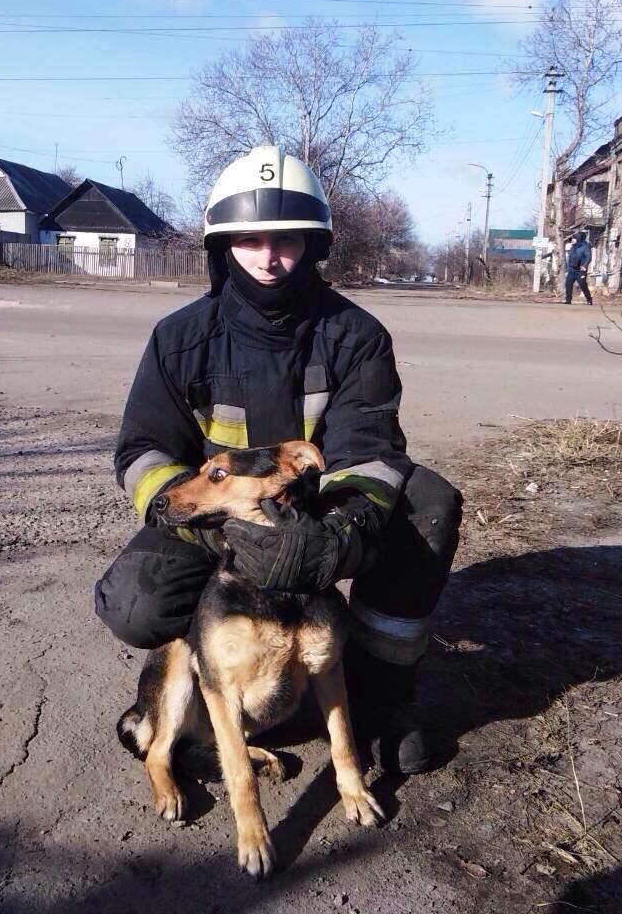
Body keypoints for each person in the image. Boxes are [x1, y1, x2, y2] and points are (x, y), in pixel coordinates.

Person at [93, 145, 464, 775]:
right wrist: (203, 524)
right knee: (135, 604)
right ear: (223, 245)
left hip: (318, 515)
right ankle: (219, 674)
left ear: (313, 245)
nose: (269, 257)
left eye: (287, 240)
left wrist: (335, 539)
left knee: (429, 503)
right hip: (216, 517)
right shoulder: (180, 337)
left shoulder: (356, 335)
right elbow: (142, 450)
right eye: (250, 239)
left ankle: (382, 699)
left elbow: (368, 450)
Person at [565, 231, 593, 305]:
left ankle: (589, 300)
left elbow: (588, 257)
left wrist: (585, 265)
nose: (572, 240)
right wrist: (568, 268)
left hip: (581, 270)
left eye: (574, 238)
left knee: (583, 284)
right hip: (571, 269)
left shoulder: (585, 247)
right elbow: (570, 257)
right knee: (568, 284)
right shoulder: (573, 247)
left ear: (579, 238)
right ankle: (568, 300)